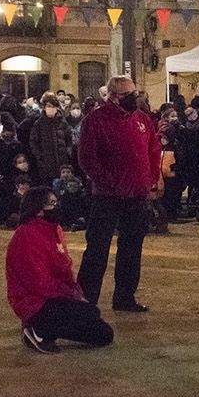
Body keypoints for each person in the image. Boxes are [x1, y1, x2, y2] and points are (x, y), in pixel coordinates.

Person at [75, 76, 161, 313]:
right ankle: (85, 301)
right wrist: (110, 182)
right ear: (113, 96)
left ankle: (125, 297)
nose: (134, 97)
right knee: (97, 248)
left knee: (132, 248)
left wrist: (151, 178)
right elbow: (87, 158)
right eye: (127, 94)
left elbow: (153, 150)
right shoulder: (95, 120)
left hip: (136, 195)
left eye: (134, 92)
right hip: (107, 196)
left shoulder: (141, 119)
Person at [7, 188, 114, 354]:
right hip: (35, 301)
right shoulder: (27, 235)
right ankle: (38, 330)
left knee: (102, 331)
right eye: (52, 203)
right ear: (39, 210)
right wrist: (68, 294)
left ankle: (47, 326)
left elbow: (63, 267)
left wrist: (75, 293)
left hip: (54, 295)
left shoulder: (54, 229)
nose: (57, 206)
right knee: (89, 315)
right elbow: (38, 283)